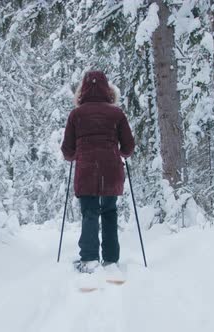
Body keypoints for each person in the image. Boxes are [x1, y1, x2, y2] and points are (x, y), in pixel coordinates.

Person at [61, 70, 135, 273]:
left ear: (82, 90)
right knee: (110, 212)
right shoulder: (116, 114)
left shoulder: (76, 115)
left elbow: (67, 150)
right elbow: (128, 146)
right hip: (111, 171)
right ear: (108, 89)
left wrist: (76, 154)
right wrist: (119, 151)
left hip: (86, 171)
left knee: (89, 212)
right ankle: (111, 259)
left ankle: (89, 259)